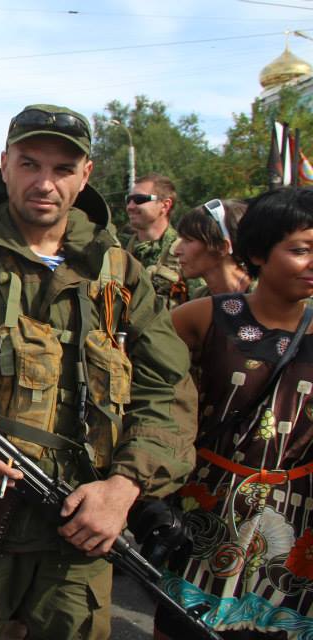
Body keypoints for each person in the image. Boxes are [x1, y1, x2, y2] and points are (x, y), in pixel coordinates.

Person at [0, 104, 197, 639]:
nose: (44, 183)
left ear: (86, 175)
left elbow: (168, 390)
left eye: (63, 169)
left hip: (81, 530)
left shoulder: (119, 275)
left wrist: (123, 486)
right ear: (5, 165)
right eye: (30, 164)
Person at [165, 187, 313, 639]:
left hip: (296, 521)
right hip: (206, 507)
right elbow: (144, 387)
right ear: (257, 252)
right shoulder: (207, 317)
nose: (312, 263)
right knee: (185, 628)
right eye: (301, 250)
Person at [119, 174, 187, 306]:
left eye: (139, 199)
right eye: (128, 200)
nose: (130, 207)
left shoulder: (184, 251)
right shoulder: (117, 250)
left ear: (165, 205)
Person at [173, 198, 251, 300]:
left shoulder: (265, 295)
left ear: (222, 247)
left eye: (188, 240)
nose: (176, 251)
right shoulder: (200, 298)